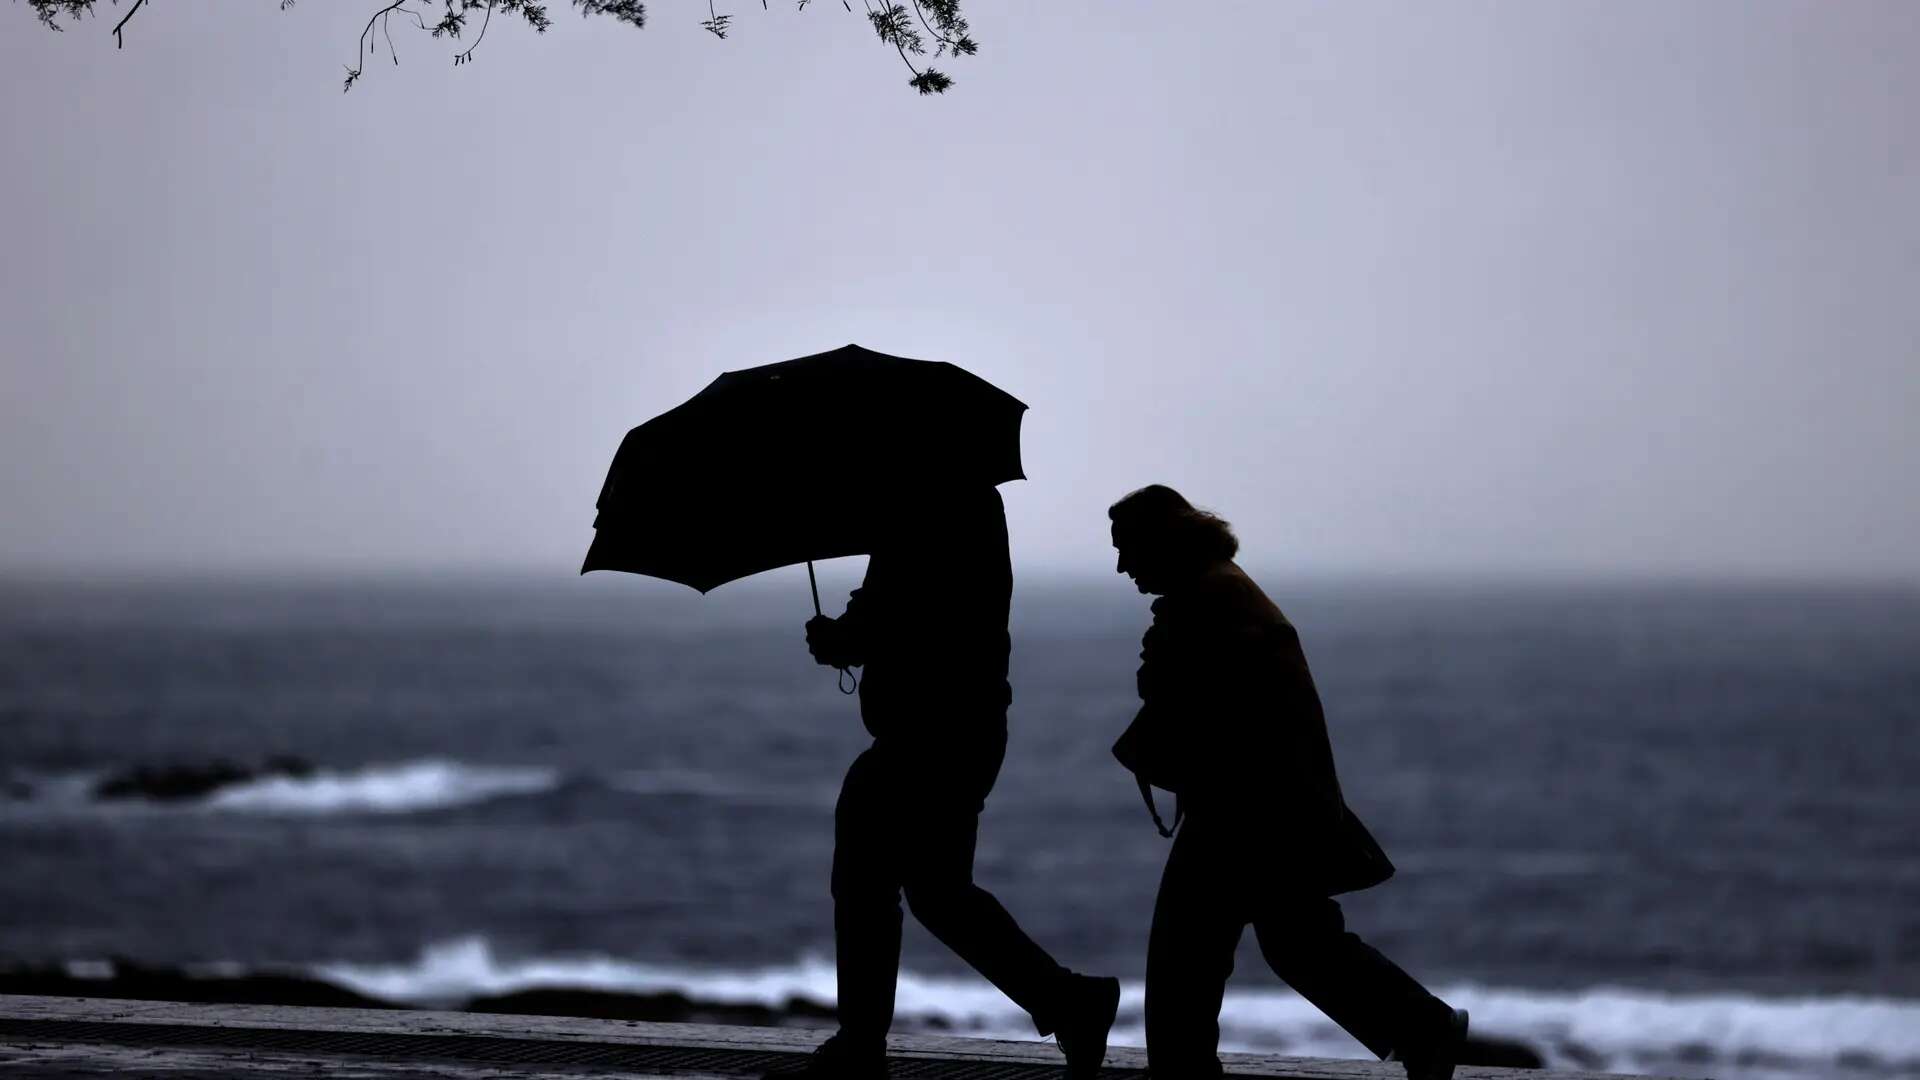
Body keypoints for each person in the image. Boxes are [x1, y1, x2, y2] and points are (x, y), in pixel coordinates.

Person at [1107, 484, 1469, 1080]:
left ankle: (1181, 1073)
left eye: (1128, 549)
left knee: (1185, 952)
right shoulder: (1216, 590)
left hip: (1245, 808)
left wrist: (1161, 656)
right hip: (1271, 801)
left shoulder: (1208, 600)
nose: (1122, 566)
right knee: (1300, 945)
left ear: (1158, 541)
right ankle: (1424, 1027)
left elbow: (1196, 700)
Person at [776, 483, 1120, 1080]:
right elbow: (905, 603)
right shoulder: (952, 500)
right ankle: (1070, 1002)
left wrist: (845, 639)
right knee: (936, 892)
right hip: (957, 732)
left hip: (930, 736)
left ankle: (862, 1049)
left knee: (872, 884)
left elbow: (915, 611)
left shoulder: (933, 503)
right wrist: (851, 634)